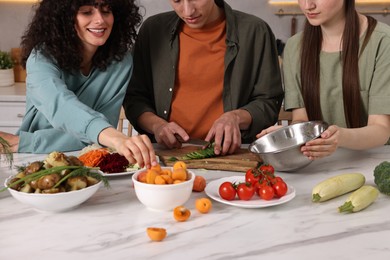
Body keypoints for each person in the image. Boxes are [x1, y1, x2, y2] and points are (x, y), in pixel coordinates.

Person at [0, 0, 157, 168]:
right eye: (87, 12)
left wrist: (25, 141)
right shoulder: (42, 58)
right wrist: (114, 138)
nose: (100, 20)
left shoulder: (120, 61)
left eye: (106, 11)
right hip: (34, 161)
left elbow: (101, 135)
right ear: (65, 17)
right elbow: (62, 107)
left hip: (88, 161)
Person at [123, 0, 283, 156]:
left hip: (233, 155)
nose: (187, 11)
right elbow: (134, 98)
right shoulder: (153, 30)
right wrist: (157, 125)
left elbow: (269, 102)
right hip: (166, 155)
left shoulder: (255, 31)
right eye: (177, 1)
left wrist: (235, 117)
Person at [257, 0, 390, 160]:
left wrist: (340, 137)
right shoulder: (294, 47)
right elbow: (302, 119)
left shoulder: (383, 41)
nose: (307, 6)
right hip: (319, 163)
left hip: (374, 161)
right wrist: (287, 135)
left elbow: (381, 129)